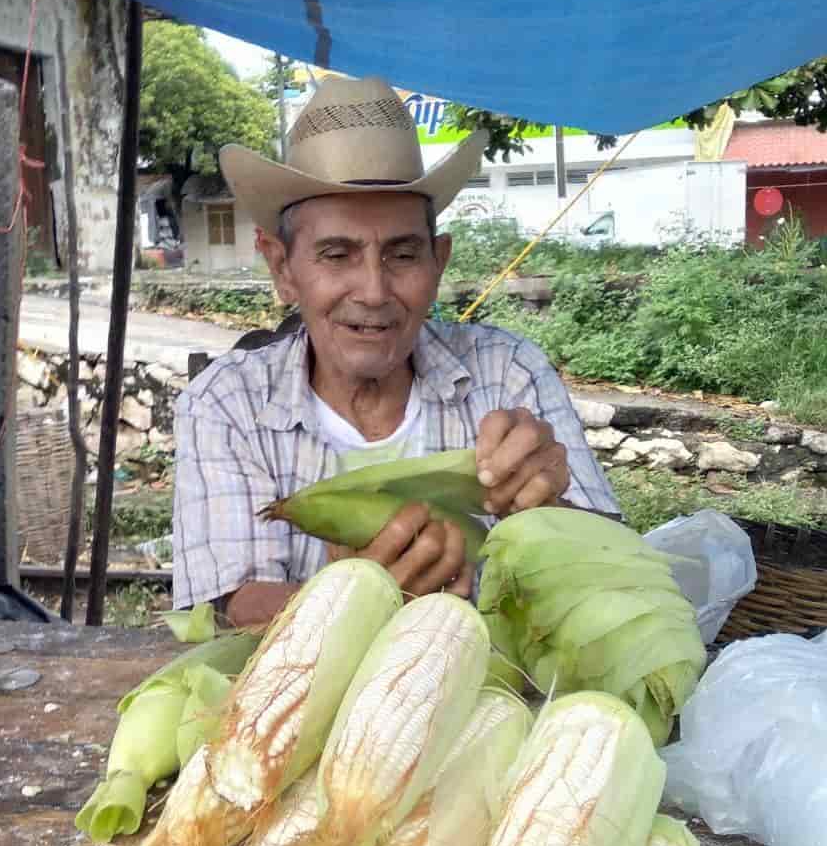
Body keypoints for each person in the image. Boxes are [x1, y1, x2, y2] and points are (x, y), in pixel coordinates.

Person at [172, 74, 618, 627]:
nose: (375, 292)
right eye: (337, 255)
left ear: (439, 261)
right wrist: (357, 600)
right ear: (283, 268)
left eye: (402, 255)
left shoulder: (509, 375)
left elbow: (613, 569)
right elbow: (231, 602)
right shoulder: (227, 402)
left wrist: (551, 507)